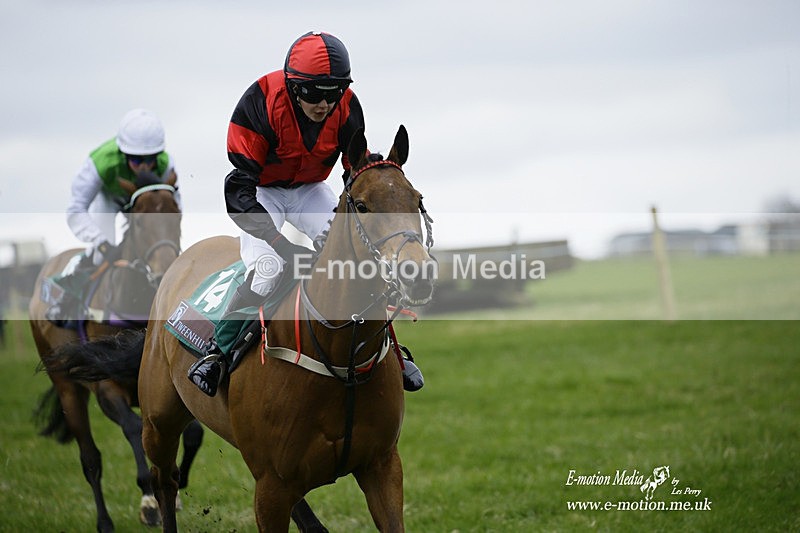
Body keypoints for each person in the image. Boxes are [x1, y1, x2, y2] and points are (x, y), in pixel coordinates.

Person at [188, 31, 424, 396]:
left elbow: (353, 174)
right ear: (294, 86)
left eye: (333, 93)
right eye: (314, 94)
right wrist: (280, 243)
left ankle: (392, 349)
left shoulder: (347, 107)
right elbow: (238, 193)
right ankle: (218, 353)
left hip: (310, 190)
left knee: (358, 257)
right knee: (267, 271)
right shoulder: (259, 103)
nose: (324, 104)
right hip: (261, 191)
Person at [45, 109, 180, 324]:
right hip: (110, 199)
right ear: (123, 153)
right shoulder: (100, 162)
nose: (144, 166)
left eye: (150, 159)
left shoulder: (166, 163)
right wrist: (100, 241)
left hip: (144, 203)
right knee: (101, 252)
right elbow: (75, 209)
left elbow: (173, 208)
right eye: (136, 160)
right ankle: (66, 299)